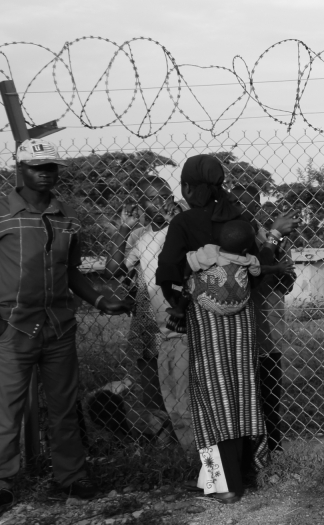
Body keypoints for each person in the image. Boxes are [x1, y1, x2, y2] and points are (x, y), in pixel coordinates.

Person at [0, 139, 134, 517]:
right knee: (6, 409)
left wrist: (102, 300)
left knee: (64, 407)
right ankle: (1, 484)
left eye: (51, 167)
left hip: (58, 328)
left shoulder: (67, 216)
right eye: (37, 166)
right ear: (19, 168)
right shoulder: (0, 212)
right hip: (12, 327)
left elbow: (71, 272)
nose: (45, 173)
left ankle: (69, 477)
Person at [157, 155, 293, 503]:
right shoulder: (240, 221)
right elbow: (260, 270)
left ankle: (226, 483)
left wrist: (179, 304)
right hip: (243, 320)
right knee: (240, 393)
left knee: (210, 397)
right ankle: (229, 474)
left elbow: (169, 272)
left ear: (187, 187)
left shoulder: (184, 223)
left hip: (205, 320)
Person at [104, 176, 194, 448]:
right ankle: (169, 447)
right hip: (151, 323)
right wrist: (123, 229)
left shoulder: (183, 228)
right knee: (157, 389)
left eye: (165, 196)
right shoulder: (141, 236)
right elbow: (112, 269)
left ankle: (195, 452)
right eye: (152, 198)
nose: (161, 202)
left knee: (185, 393)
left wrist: (180, 219)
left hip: (182, 321)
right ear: (141, 204)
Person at [233, 184, 297, 454]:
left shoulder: (268, 235)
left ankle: (274, 450)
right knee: (245, 398)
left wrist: (277, 266)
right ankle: (251, 453)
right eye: (239, 203)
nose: (246, 209)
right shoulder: (231, 237)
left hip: (270, 329)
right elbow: (248, 281)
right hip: (241, 332)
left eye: (252, 204)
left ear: (259, 206)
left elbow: (288, 280)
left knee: (271, 397)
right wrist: (270, 267)